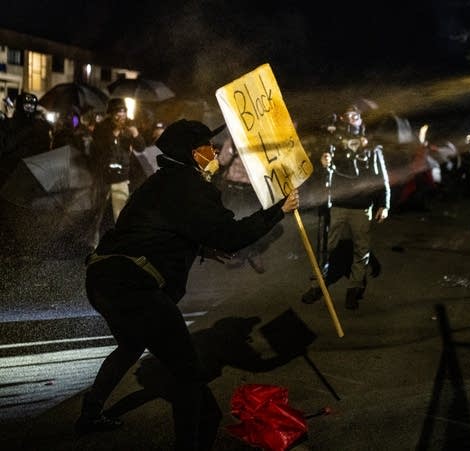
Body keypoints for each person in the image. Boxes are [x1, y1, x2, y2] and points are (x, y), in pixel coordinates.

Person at [75, 119, 300, 451]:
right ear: (193, 154)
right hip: (133, 287)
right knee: (189, 375)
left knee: (131, 346)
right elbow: (231, 234)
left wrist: (205, 246)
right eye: (208, 148)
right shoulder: (188, 187)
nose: (214, 153)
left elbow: (162, 228)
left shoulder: (163, 181)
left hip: (103, 279)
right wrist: (277, 211)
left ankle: (90, 414)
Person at [302, 105, 390, 310]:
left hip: (362, 207)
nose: (351, 120)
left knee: (361, 248)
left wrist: (383, 205)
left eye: (356, 116)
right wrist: (322, 165)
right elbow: (319, 178)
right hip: (337, 205)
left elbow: (382, 179)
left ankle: (354, 288)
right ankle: (317, 286)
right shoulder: (333, 145)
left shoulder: (371, 149)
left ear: (362, 121)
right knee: (326, 247)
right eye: (347, 116)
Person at [215, 133, 284, 273]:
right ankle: (242, 252)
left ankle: (250, 251)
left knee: (252, 222)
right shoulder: (235, 142)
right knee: (237, 223)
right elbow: (222, 161)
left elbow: (222, 161)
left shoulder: (244, 142)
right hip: (234, 189)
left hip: (247, 189)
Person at [87, 98, 146, 247]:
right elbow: (98, 147)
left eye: (123, 112)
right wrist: (115, 132)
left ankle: (123, 243)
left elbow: (141, 147)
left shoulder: (130, 126)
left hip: (121, 177)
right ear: (110, 114)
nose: (121, 116)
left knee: (121, 213)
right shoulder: (102, 128)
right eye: (118, 113)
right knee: (97, 212)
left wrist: (135, 135)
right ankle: (91, 242)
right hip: (104, 177)